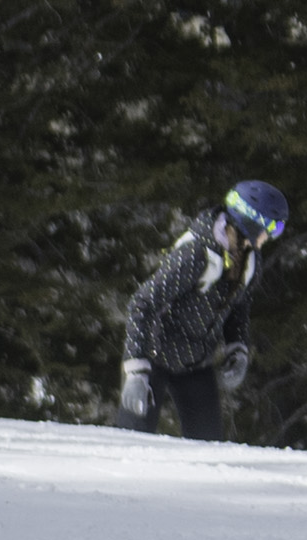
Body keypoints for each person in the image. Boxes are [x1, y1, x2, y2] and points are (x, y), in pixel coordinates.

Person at [122, 181, 287, 439]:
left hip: (195, 361)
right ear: (252, 221)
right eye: (274, 227)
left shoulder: (250, 260)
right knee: (131, 442)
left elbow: (239, 306)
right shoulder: (197, 254)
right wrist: (136, 372)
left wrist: (237, 349)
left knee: (208, 447)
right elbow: (142, 303)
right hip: (152, 358)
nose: (273, 236)